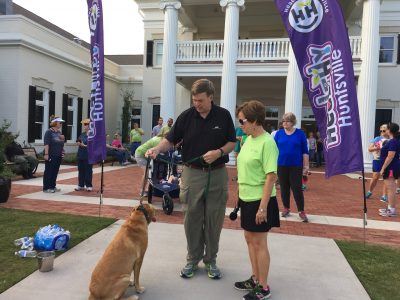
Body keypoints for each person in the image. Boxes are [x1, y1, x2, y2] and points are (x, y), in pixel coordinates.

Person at [146, 78, 236, 279]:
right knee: (192, 219)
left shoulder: (223, 116)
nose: (197, 104)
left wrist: (219, 152)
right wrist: (156, 149)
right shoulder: (186, 116)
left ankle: (211, 260)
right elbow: (170, 140)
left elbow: (231, 142)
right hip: (192, 173)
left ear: (211, 97)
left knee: (214, 219)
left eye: (200, 100)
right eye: (194, 100)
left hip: (217, 173)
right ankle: (192, 260)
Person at [234, 101, 280, 300]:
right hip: (246, 198)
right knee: (249, 239)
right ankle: (254, 278)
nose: (240, 125)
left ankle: (263, 286)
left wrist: (262, 208)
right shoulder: (248, 139)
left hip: (260, 201)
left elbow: (271, 176)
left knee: (259, 243)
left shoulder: (267, 142)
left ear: (255, 121)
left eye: (242, 121)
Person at [274, 112, 310, 222]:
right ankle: (286, 208)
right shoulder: (279, 134)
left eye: (287, 121)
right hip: (281, 165)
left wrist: (306, 166)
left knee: (297, 189)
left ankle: (301, 211)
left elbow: (305, 151)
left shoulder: (300, 134)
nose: (285, 123)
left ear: (293, 122)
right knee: (284, 188)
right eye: (283, 121)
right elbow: (273, 150)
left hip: (296, 166)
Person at [378, 122, 400, 217]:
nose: (385, 130)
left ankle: (392, 210)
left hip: (390, 167)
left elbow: (390, 156)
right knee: (390, 188)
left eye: (386, 129)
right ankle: (390, 208)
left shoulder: (393, 142)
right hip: (391, 166)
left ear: (390, 131)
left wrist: (383, 168)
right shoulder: (392, 141)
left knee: (391, 189)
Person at [365, 124, 389, 200]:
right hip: (377, 160)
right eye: (380, 130)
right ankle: (369, 191)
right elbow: (369, 149)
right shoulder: (377, 139)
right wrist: (376, 148)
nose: (382, 132)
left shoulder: (391, 139)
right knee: (375, 176)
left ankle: (384, 195)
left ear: (388, 130)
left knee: (386, 177)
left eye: (384, 130)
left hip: (387, 160)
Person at [43, 116, 65, 193]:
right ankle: (46, 188)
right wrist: (46, 154)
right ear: (55, 123)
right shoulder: (49, 132)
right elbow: (46, 144)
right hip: (51, 154)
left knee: (55, 171)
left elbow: (61, 144)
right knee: (49, 171)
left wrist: (62, 139)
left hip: (58, 155)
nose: (61, 124)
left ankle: (52, 186)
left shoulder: (59, 132)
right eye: (60, 122)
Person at [75, 119, 93, 192]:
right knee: (81, 170)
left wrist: (84, 145)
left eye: (86, 124)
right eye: (84, 124)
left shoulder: (92, 135)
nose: (85, 126)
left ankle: (89, 185)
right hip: (81, 155)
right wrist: (78, 143)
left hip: (88, 156)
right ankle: (80, 185)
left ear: (90, 125)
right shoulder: (82, 134)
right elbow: (78, 140)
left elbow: (93, 146)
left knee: (88, 171)